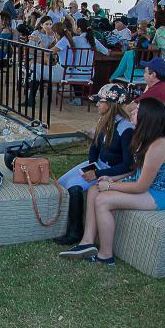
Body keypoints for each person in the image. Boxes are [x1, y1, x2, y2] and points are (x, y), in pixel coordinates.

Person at [59, 97, 165, 265]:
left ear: (147, 117)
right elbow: (135, 170)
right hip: (145, 183)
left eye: (137, 110)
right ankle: (86, 242)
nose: (132, 111)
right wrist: (112, 178)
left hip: (161, 193)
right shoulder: (144, 136)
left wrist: (110, 185)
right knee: (95, 189)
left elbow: (141, 187)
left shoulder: (158, 146)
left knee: (103, 200)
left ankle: (105, 256)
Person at [55, 84, 134, 245]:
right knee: (61, 183)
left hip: (112, 172)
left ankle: (75, 231)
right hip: (98, 166)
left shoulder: (126, 129)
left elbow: (128, 165)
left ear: (111, 104)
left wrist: (97, 174)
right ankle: (61, 222)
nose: (97, 104)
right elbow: (94, 148)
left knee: (73, 186)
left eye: (100, 101)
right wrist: (91, 166)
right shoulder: (104, 120)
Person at [128, 57, 165, 125]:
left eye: (145, 72)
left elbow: (131, 107)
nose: (144, 75)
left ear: (153, 75)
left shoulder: (157, 90)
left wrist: (118, 110)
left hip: (157, 128)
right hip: (162, 124)